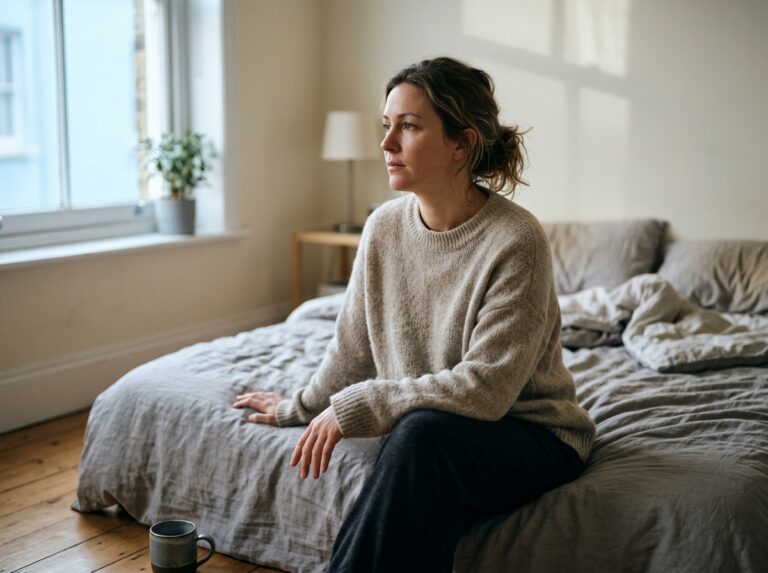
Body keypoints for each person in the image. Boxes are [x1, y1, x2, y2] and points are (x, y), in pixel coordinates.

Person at [233, 56, 596, 572]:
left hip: (534, 436)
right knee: (426, 504)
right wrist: (303, 406)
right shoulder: (382, 227)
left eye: (408, 127)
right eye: (387, 126)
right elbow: (352, 350)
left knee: (420, 438)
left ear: (461, 144)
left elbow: (486, 391)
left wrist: (362, 405)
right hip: (436, 440)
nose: (386, 144)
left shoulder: (518, 240)